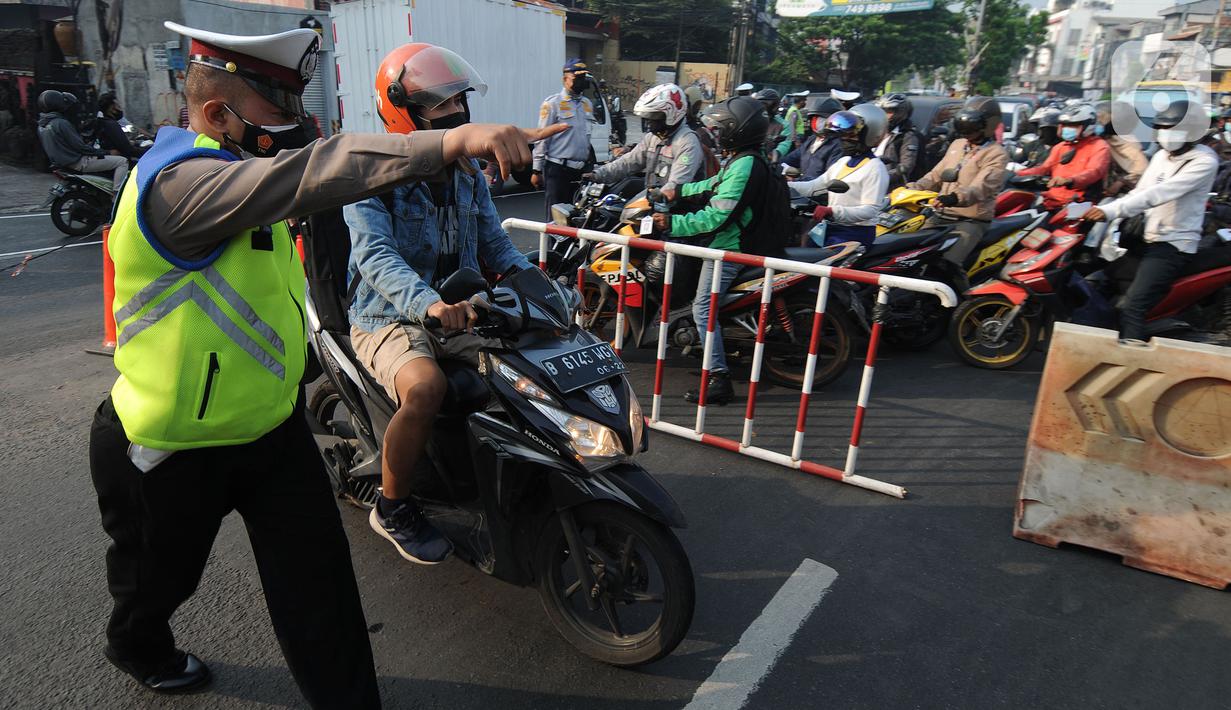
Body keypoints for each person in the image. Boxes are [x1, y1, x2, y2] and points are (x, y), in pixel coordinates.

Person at [90, 21, 563, 705]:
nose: (295, 123)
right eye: (277, 108)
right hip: (169, 445)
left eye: (296, 105)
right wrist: (452, 142)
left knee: (321, 593)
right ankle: (136, 641)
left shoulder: (249, 174)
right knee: (160, 580)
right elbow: (321, 170)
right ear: (218, 115)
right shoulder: (178, 184)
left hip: (272, 430)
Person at [344, 43, 534, 564]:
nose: (455, 112)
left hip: (462, 310)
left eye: (458, 100)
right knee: (425, 388)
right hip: (386, 315)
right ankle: (393, 505)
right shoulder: (373, 175)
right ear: (401, 105)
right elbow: (376, 258)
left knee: (524, 370)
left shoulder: (468, 174)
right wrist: (427, 304)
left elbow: (497, 247)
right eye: (438, 103)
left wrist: (545, 287)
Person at [650, 97, 774, 405]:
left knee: (703, 309)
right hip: (729, 242)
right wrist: (675, 190)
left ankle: (719, 379)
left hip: (729, 248)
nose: (716, 134)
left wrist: (673, 223)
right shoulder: (743, 159)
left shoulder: (746, 164)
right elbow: (712, 185)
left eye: (721, 129)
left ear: (736, 130)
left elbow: (717, 217)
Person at [1083, 100, 1219, 343]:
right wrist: (1104, 209)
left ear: (1192, 131)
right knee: (1102, 282)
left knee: (1132, 307)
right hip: (1145, 238)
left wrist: (1111, 211)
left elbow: (1158, 194)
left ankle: (1130, 364)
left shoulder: (1204, 161)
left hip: (1173, 245)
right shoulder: (1161, 156)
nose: (1167, 135)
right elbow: (1139, 192)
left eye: (1173, 129)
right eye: (1163, 128)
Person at [905, 96, 1008, 289]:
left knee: (947, 263)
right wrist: (914, 188)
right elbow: (935, 175)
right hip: (938, 215)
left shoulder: (996, 153)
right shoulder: (957, 145)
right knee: (910, 253)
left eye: (972, 128)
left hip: (970, 221)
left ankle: (960, 302)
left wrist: (954, 198)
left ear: (987, 125)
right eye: (964, 127)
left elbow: (981, 187)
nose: (967, 133)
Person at [791, 106, 890, 247]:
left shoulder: (875, 168)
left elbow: (870, 210)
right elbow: (813, 186)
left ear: (870, 134)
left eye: (850, 136)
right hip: (830, 227)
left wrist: (832, 210)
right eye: (842, 136)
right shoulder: (842, 162)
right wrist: (783, 185)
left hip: (854, 233)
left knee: (820, 265)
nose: (844, 140)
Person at [588, 83, 704, 192]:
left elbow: (677, 184)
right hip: (655, 200)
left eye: (653, 118)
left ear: (671, 115)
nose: (649, 124)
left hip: (679, 209)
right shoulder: (653, 138)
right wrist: (598, 174)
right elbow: (629, 162)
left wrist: (660, 196)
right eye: (646, 119)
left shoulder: (687, 142)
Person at [531, 58, 596, 218]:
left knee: (577, 216)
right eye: (577, 78)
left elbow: (585, 139)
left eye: (583, 78)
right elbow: (542, 137)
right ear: (565, 79)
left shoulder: (587, 104)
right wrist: (536, 169)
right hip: (558, 169)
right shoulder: (553, 104)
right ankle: (551, 244)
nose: (581, 82)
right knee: (556, 219)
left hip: (580, 171)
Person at [1016, 103, 1110, 210]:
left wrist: (1069, 180)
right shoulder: (1061, 147)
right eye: (1064, 125)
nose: (1067, 129)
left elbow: (1094, 171)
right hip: (1052, 201)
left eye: (1073, 125)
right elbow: (1044, 168)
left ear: (1087, 126)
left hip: (1080, 204)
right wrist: (1017, 173)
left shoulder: (1099, 146)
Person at [36, 90, 129, 190]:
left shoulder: (42, 126)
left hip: (62, 163)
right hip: (77, 162)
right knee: (122, 161)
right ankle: (117, 194)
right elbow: (80, 147)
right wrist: (107, 152)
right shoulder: (61, 123)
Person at [780, 96, 844, 181]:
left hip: (818, 192)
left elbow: (827, 178)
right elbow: (790, 159)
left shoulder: (838, 145)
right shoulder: (811, 140)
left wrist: (797, 181)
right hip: (802, 189)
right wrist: (776, 164)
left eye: (822, 119)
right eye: (815, 119)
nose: (818, 122)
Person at [1096, 101, 1148, 196]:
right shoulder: (1102, 138)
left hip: (1120, 193)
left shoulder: (1125, 142)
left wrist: (1120, 182)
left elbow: (1141, 168)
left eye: (1101, 120)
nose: (1098, 123)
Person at [874, 93, 921, 189]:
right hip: (868, 180)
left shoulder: (907, 136)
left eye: (889, 111)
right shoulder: (876, 131)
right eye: (882, 111)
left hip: (889, 187)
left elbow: (907, 166)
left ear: (901, 112)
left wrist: (883, 177)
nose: (884, 115)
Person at [95, 92, 145, 160]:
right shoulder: (111, 124)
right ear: (111, 108)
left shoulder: (104, 122)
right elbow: (128, 150)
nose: (120, 108)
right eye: (118, 106)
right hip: (121, 159)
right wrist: (148, 152)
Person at [600, 79, 627, 146]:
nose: (603, 84)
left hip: (606, 112)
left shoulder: (606, 91)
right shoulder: (599, 91)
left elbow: (609, 100)